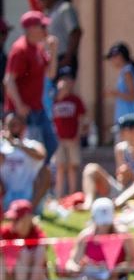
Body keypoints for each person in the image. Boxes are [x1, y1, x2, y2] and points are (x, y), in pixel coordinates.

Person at [4, 11, 58, 160]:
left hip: (37, 108)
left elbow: (51, 74)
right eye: (42, 26)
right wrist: (19, 105)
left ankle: (39, 178)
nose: (46, 30)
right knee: (28, 152)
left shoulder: (38, 48)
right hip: (23, 112)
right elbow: (9, 80)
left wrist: (53, 51)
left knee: (50, 145)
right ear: (31, 29)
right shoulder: (20, 49)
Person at [81, 113, 134, 208]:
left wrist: (132, 175)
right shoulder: (120, 148)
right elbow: (121, 181)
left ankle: (116, 204)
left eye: (122, 131)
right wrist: (123, 175)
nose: (120, 134)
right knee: (91, 168)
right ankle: (88, 203)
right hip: (123, 189)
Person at [64, 197, 134, 280]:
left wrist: (117, 269)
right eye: (101, 223)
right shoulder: (85, 236)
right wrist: (78, 268)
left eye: (106, 222)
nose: (104, 226)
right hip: (89, 277)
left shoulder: (122, 234)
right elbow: (72, 262)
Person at [0, 112, 52, 211]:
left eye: (15, 124)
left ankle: (30, 210)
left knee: (45, 171)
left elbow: (42, 155)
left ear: (23, 126)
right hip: (7, 195)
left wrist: (17, 144)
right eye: (10, 125)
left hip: (29, 196)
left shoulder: (32, 144)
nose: (12, 127)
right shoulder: (2, 146)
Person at [0, 200, 47, 280]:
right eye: (11, 219)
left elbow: (38, 266)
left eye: (16, 219)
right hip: (12, 279)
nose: (12, 222)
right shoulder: (6, 232)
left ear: (27, 219)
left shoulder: (39, 236)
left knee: (24, 252)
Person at [50, 68, 87, 200]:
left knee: (72, 166)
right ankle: (59, 194)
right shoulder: (54, 99)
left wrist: (79, 134)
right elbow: (50, 116)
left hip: (72, 137)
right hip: (58, 138)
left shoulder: (75, 100)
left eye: (68, 80)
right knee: (60, 166)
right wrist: (60, 94)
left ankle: (72, 194)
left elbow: (81, 119)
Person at [37, 0, 81, 71]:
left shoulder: (65, 8)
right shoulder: (50, 13)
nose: (41, 2)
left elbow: (75, 32)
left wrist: (68, 57)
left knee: (63, 84)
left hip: (64, 56)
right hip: (52, 58)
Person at [104, 42, 134, 129]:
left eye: (112, 57)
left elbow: (133, 96)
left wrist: (115, 93)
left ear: (120, 56)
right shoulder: (126, 71)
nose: (111, 61)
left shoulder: (127, 72)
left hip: (128, 122)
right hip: (124, 121)